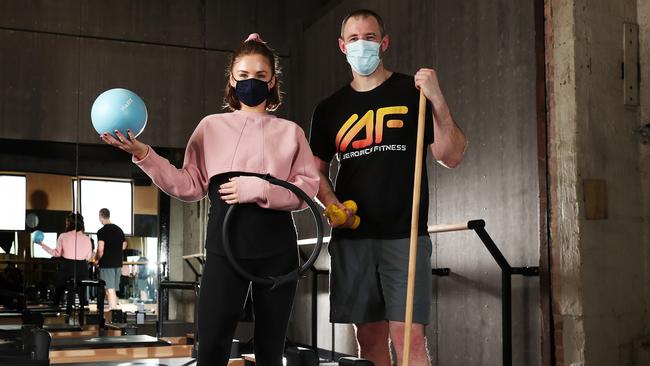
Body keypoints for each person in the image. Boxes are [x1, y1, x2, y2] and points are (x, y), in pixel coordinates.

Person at [100, 33, 319, 366]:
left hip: (277, 251)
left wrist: (260, 189)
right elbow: (188, 185)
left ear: (273, 81)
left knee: (271, 349)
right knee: (212, 344)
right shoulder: (210, 127)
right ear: (231, 79)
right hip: (225, 248)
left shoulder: (291, 132)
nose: (251, 82)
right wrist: (145, 154)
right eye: (243, 75)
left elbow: (307, 190)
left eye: (260, 76)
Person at [309, 9, 467, 366]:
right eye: (353, 39)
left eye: (369, 37)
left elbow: (451, 155)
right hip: (355, 238)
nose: (361, 45)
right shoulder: (329, 109)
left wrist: (437, 98)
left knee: (409, 338)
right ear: (341, 46)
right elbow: (315, 171)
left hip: (405, 235)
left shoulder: (413, 92)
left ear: (383, 43)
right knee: (369, 340)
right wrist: (334, 207)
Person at [37, 212, 93, 314]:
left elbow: (57, 253)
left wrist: (42, 244)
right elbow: (89, 257)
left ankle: (56, 308)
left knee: (59, 286)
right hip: (82, 268)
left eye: (67, 222)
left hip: (67, 267)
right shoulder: (87, 238)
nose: (66, 224)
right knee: (81, 287)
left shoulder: (63, 236)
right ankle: (81, 309)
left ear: (69, 223)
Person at [94, 208, 126, 310]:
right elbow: (124, 245)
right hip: (117, 263)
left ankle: (113, 313)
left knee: (110, 289)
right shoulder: (119, 229)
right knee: (111, 290)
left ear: (101, 217)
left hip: (107, 263)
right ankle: (113, 310)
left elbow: (100, 249)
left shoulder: (102, 231)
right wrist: (115, 250)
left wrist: (97, 259)